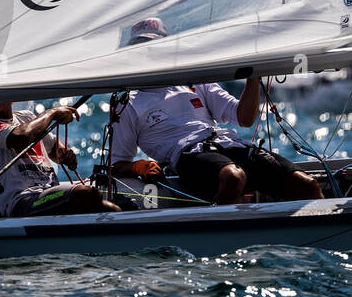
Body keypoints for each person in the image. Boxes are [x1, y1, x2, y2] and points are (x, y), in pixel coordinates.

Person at [110, 18, 322, 205]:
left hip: (228, 144)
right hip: (187, 155)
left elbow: (244, 118)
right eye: (142, 46)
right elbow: (116, 165)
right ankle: (221, 244)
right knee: (233, 177)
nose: (149, 51)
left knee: (308, 186)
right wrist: (138, 166)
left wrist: (253, 76)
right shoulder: (127, 102)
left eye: (155, 45)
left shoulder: (194, 82)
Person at [0, 102, 120, 217]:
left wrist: (65, 154)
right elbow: (21, 137)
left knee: (112, 209)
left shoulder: (26, 117)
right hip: (23, 202)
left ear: (11, 98)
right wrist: (52, 113)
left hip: (48, 195)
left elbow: (54, 148)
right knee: (87, 194)